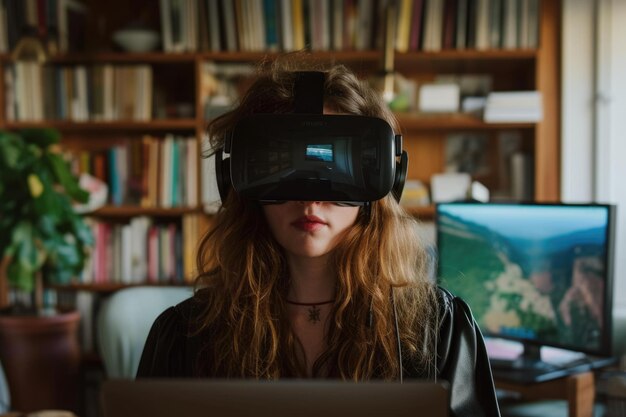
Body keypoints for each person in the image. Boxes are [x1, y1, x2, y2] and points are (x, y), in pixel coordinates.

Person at [137, 56, 501, 417]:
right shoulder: (186, 335)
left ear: (384, 180)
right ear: (237, 179)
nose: (310, 200)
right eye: (287, 169)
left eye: (333, 171)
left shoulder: (437, 332)